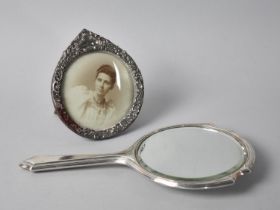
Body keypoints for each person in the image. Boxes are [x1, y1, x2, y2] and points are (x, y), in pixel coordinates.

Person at [65, 65, 116, 129]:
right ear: (95, 80)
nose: (101, 85)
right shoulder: (81, 94)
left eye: (106, 83)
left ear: (111, 87)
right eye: (99, 80)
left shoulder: (108, 111)